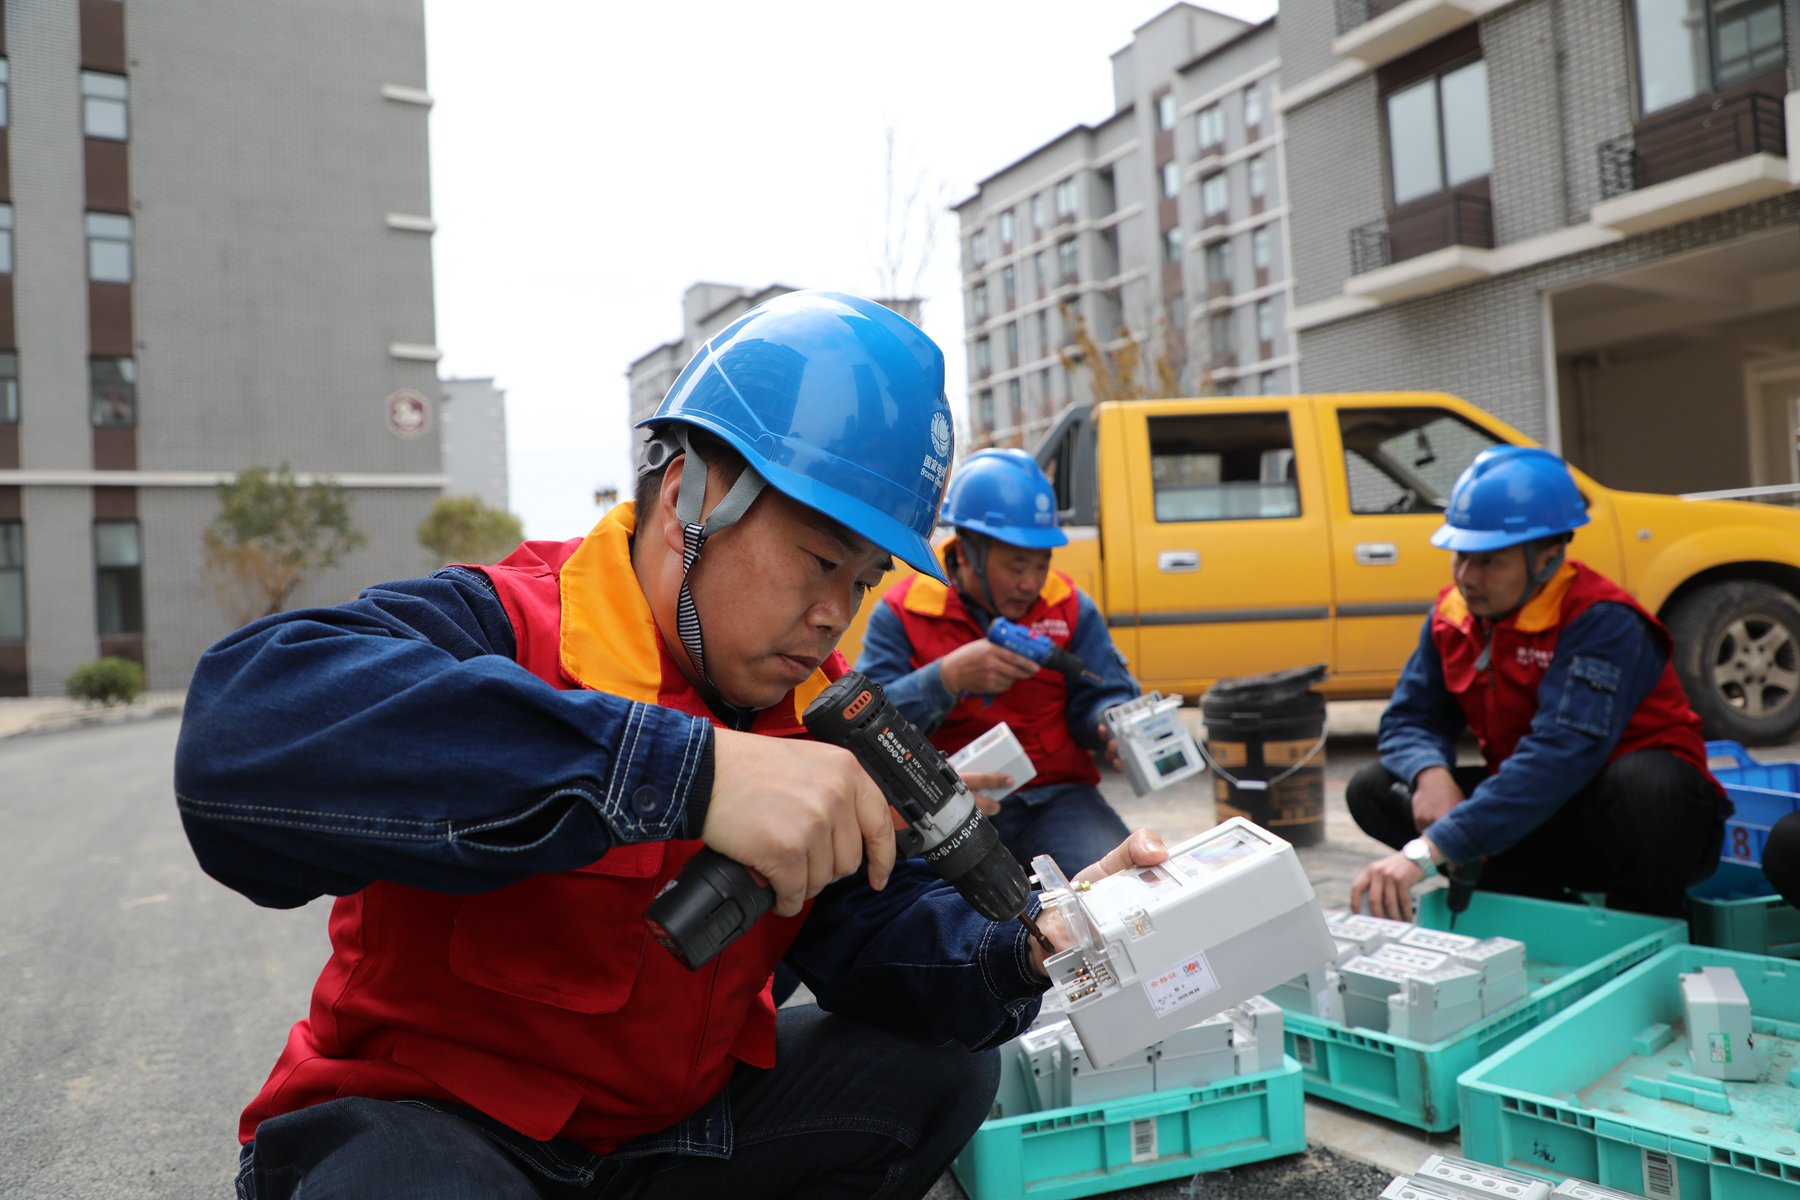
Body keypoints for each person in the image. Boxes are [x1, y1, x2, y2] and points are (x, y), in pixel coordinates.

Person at [174, 292, 1166, 1200]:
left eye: (862, 580)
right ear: (689, 493)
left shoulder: (820, 711)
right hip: (435, 1129)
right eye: (820, 559)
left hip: (661, 1142)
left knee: (939, 1072)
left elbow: (872, 932)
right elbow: (241, 732)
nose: (834, 615)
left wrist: (1027, 945)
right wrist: (687, 773)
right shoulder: (510, 624)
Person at [1347, 446, 1730, 922]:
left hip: (1632, 828)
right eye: (1461, 556)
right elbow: (1409, 718)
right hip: (1536, 817)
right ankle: (1535, 904)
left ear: (1549, 557)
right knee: (1372, 786)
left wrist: (1427, 851)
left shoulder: (1601, 620)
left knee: (1649, 783)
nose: (1468, 577)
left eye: (1491, 562)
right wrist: (1430, 773)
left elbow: (1559, 755)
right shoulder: (1454, 615)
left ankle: (1644, 927)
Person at [856, 448, 1139, 876]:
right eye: (1017, 564)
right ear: (967, 551)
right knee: (932, 916)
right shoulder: (902, 611)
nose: (1031, 582)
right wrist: (946, 678)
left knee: (1120, 885)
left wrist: (1110, 720)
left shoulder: (1069, 606)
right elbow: (868, 729)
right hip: (950, 804)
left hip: (1059, 798)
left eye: (1042, 563)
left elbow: (1102, 695)